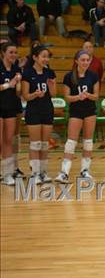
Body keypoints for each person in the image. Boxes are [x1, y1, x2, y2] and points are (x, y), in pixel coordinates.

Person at [55, 50, 99, 183]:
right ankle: (64, 172)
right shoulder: (69, 76)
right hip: (76, 111)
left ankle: (85, 170)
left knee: (88, 141)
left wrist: (88, 96)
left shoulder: (93, 75)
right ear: (76, 61)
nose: (85, 62)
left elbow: (96, 96)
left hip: (90, 111)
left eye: (87, 60)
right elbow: (67, 97)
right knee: (71, 142)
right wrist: (78, 97)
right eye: (83, 60)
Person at [21, 45, 56, 183]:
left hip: (47, 109)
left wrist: (52, 85)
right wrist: (35, 94)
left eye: (47, 56)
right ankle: (35, 173)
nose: (46, 59)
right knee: (35, 143)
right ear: (35, 57)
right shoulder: (28, 73)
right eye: (43, 56)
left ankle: (43, 172)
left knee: (44, 144)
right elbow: (25, 96)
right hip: (33, 110)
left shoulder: (50, 73)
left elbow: (53, 94)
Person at [0, 42, 21, 185]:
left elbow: (18, 92)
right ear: (3, 53)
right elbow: (8, 86)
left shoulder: (16, 69)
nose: (13, 55)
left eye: (15, 52)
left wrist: (19, 83)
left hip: (11, 107)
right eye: (11, 52)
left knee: (9, 141)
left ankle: (7, 174)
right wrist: (10, 84)